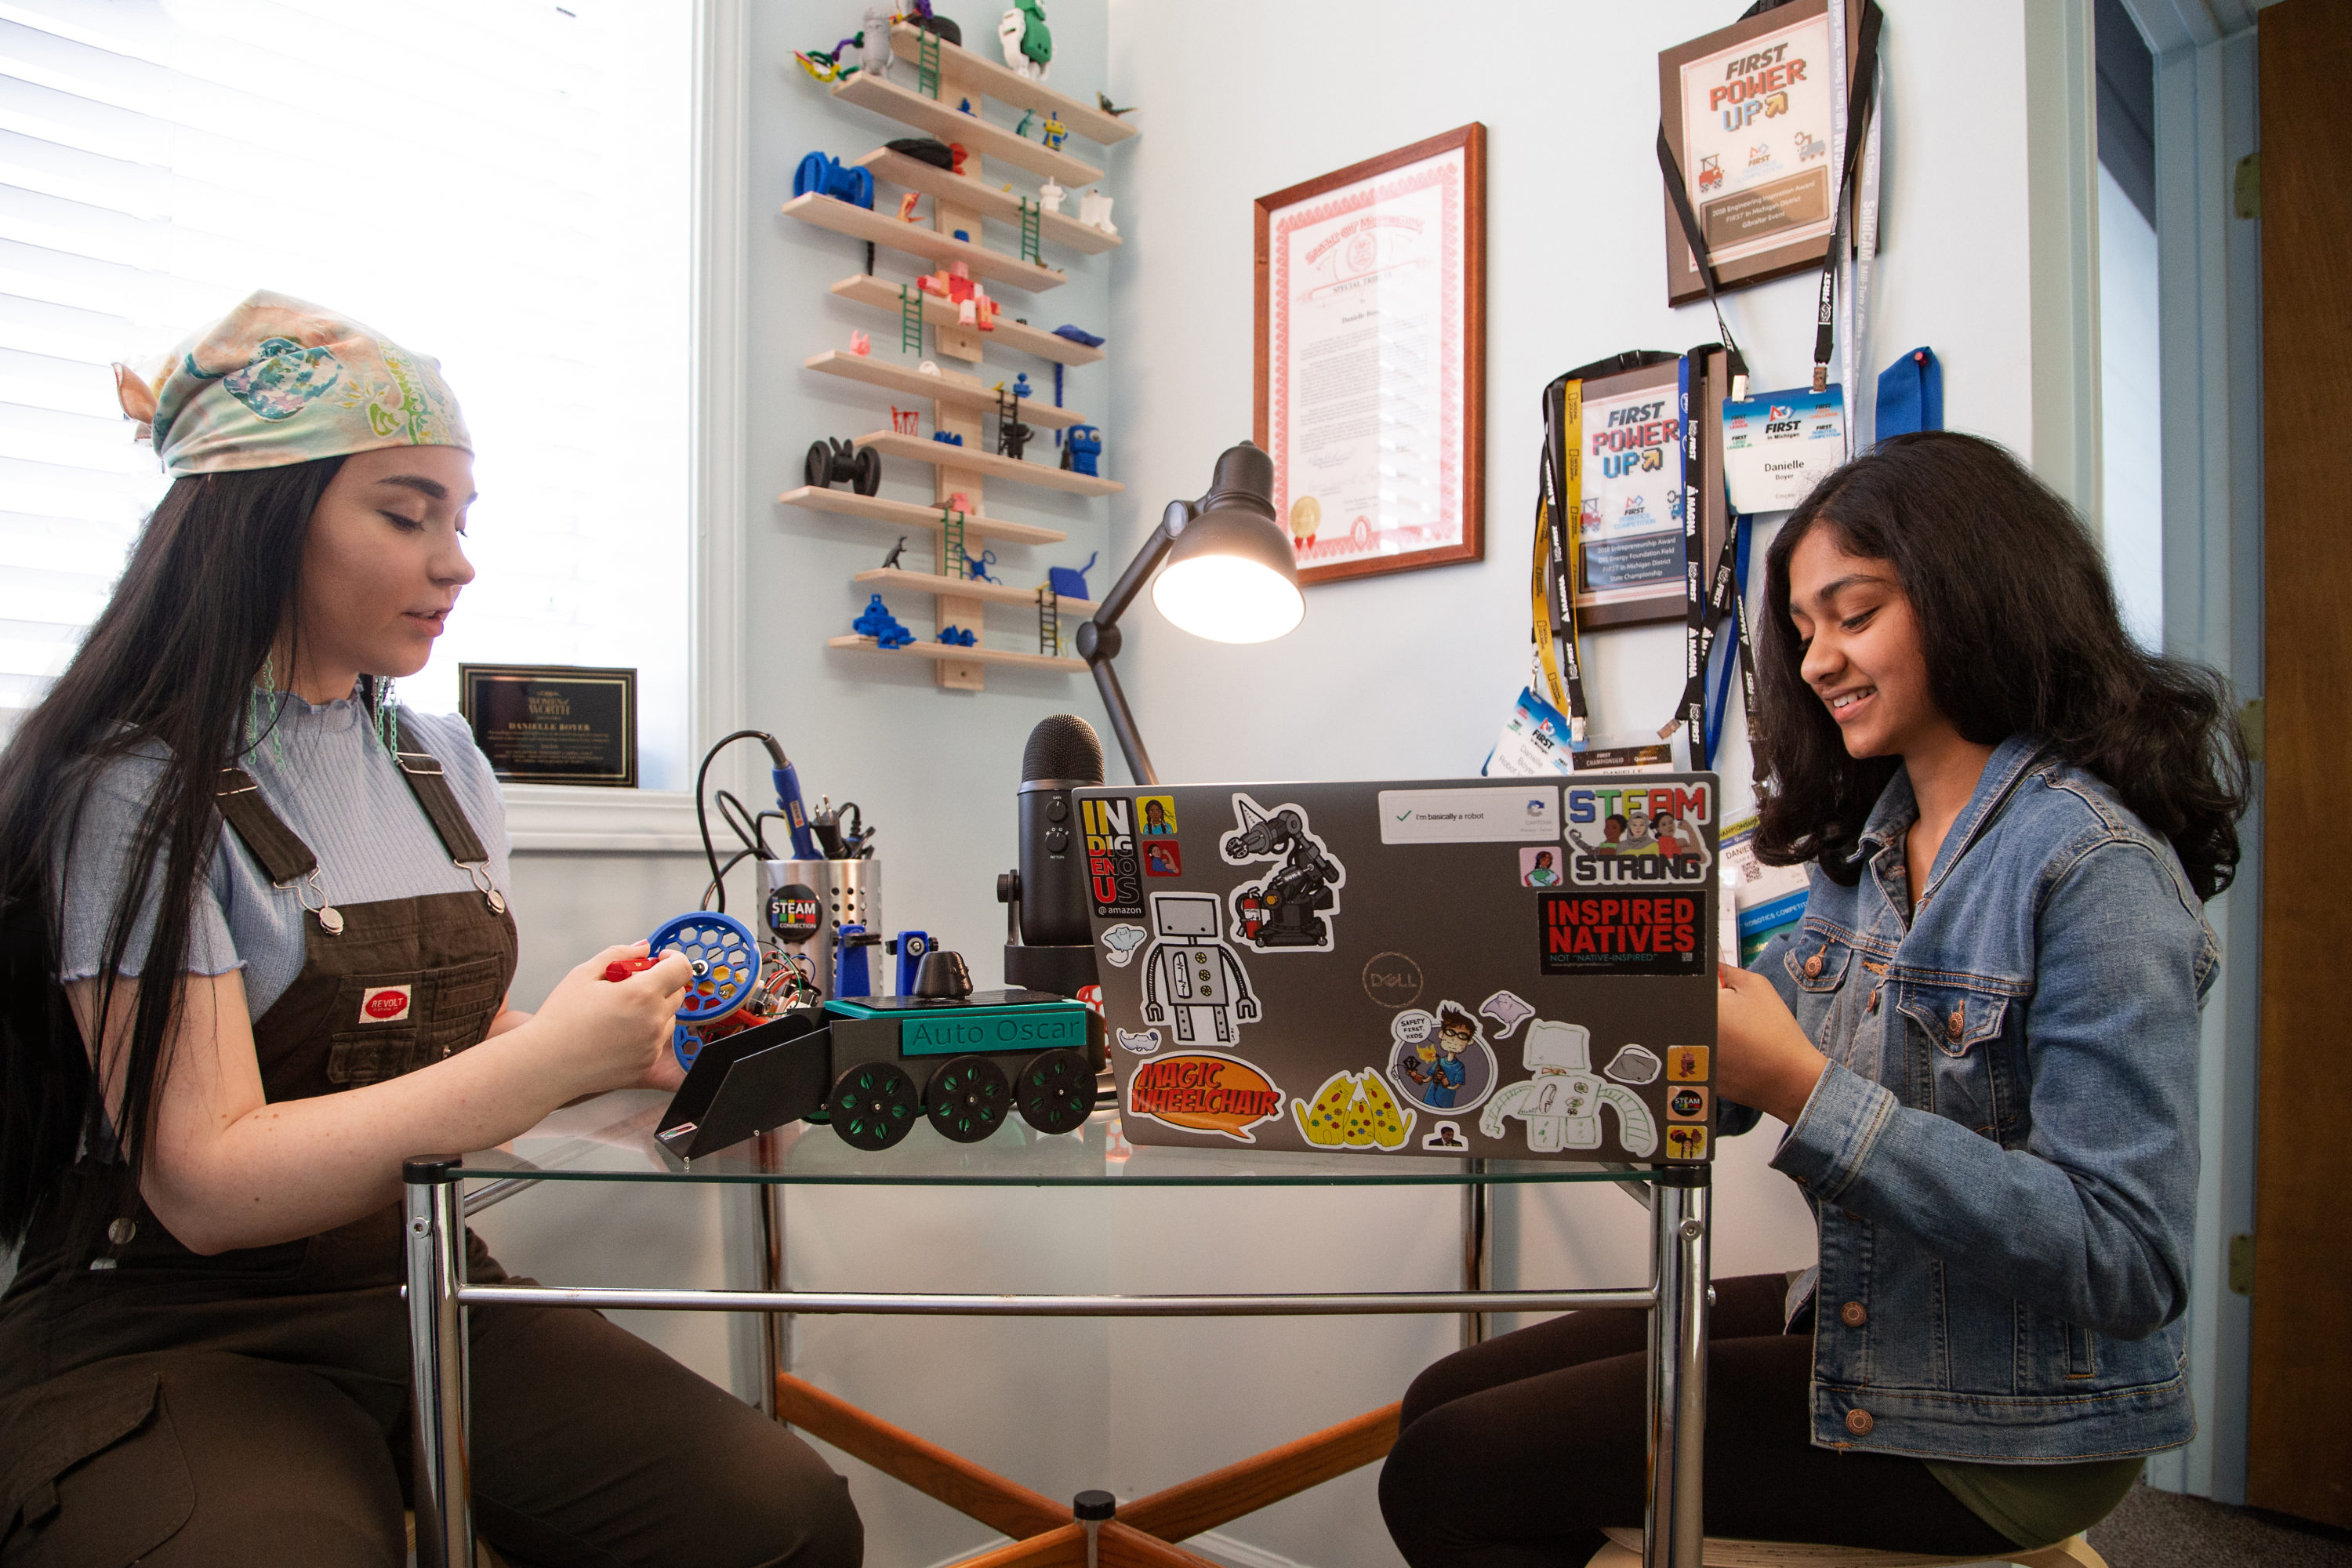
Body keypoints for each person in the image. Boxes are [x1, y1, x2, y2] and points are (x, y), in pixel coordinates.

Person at [0, 293, 862, 1567]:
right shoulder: (133, 789)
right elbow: (207, 1180)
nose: (454, 561)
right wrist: (548, 1059)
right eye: (406, 515)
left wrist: (639, 1076)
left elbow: (441, 1067)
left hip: (412, 1279)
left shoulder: (443, 763)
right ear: (263, 523)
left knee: (778, 1520)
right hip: (169, 1326)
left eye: (460, 519)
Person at [1381, 431, 2245, 1566]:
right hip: (1872, 1315)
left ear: (1974, 594)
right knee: (1443, 1396)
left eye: (1856, 612)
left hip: (2015, 1421)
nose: (1820, 658)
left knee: (1450, 1474)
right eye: (1801, 631)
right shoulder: (1870, 847)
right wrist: (1566, 1015)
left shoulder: (2094, 870)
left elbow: (2125, 1259)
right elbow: (1724, 1082)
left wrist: (1800, 1085)